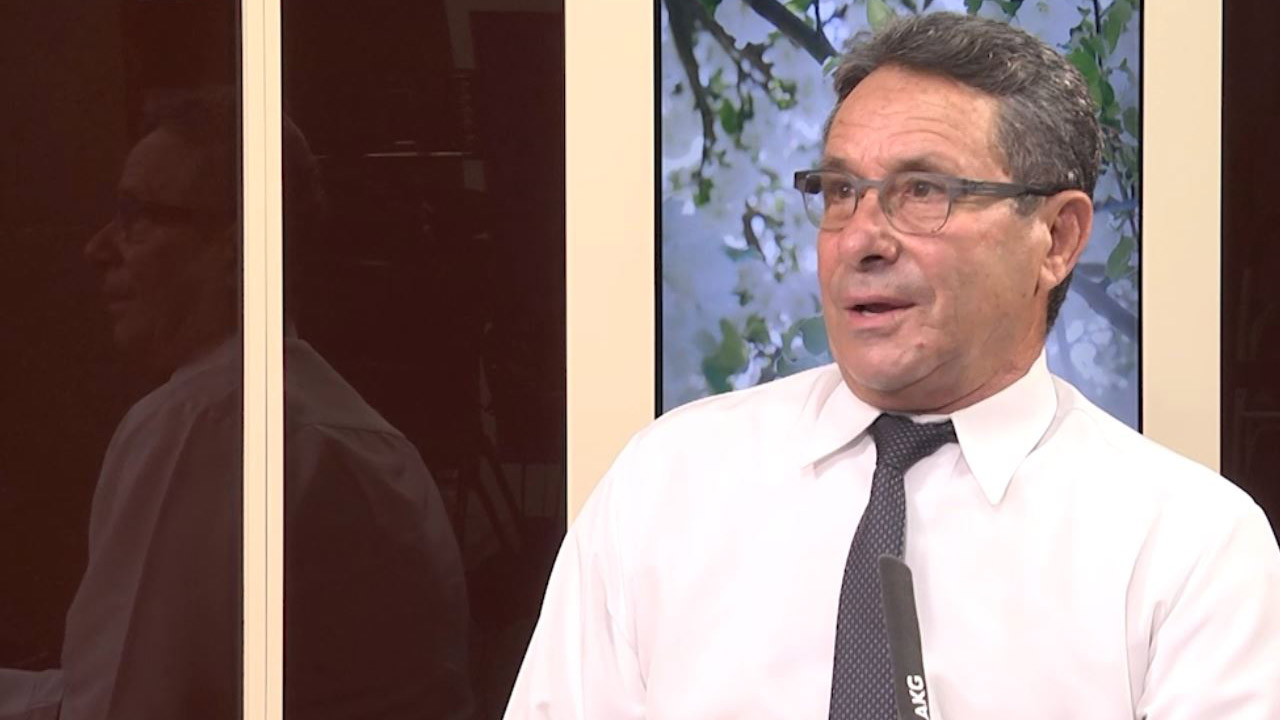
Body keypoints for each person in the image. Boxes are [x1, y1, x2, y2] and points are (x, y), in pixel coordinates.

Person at [504, 12, 1280, 720]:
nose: (860, 239)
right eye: (841, 191)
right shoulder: (666, 482)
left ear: (1057, 238)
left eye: (922, 191)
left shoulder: (1189, 547)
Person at [0, 90, 474, 719]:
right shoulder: (347, 424)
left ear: (235, 247)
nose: (98, 247)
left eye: (136, 215)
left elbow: (123, 708)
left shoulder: (206, 423)